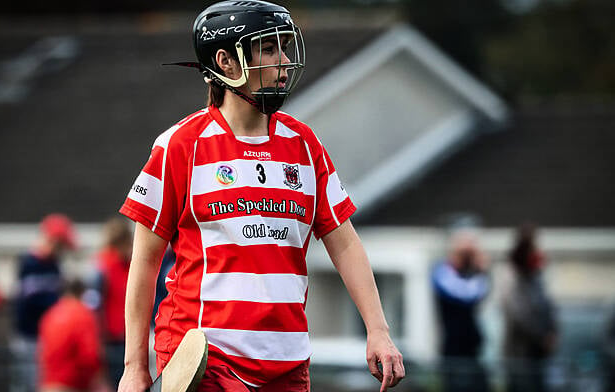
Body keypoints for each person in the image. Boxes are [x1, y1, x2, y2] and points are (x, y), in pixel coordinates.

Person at [117, 2, 405, 391]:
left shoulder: (304, 145)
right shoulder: (179, 146)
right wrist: (135, 366)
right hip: (206, 360)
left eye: (285, 47)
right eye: (269, 49)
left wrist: (378, 329)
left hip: (287, 365)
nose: (284, 62)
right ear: (226, 61)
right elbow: (145, 261)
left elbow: (346, 244)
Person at [11, 213, 77, 392]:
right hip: (28, 336)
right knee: (26, 384)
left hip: (46, 338)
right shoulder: (29, 263)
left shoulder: (54, 264)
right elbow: (33, 300)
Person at [499, 224, 557, 392]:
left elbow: (548, 306)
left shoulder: (537, 278)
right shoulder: (511, 277)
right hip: (520, 356)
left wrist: (552, 331)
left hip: (539, 355)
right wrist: (541, 336)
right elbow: (518, 314)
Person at [431, 228, 490, 392]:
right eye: (464, 254)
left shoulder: (471, 276)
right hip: (453, 349)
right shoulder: (442, 273)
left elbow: (480, 292)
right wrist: (480, 271)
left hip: (472, 348)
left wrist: (479, 270)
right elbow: (466, 294)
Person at [38, 279, 107, 392]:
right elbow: (90, 357)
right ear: (81, 293)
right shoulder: (83, 314)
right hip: (73, 385)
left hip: (48, 385)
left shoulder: (50, 315)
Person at [92, 217, 133, 389]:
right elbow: (95, 306)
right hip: (112, 340)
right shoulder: (103, 267)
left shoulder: (126, 265)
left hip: (125, 336)